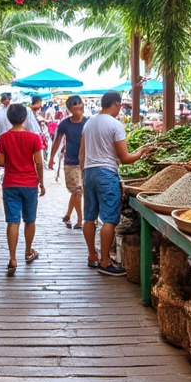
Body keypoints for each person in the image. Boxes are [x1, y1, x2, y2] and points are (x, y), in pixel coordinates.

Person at [79, 91, 153, 277]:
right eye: (120, 106)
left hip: (89, 172)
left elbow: (82, 154)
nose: (120, 109)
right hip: (106, 173)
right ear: (115, 104)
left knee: (89, 217)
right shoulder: (115, 124)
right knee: (109, 219)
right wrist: (141, 152)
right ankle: (105, 261)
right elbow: (125, 158)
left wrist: (84, 174)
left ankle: (92, 256)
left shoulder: (89, 123)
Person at [0, 103, 45, 275]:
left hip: (10, 184)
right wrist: (42, 183)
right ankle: (28, 251)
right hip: (30, 184)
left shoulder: (3, 138)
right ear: (25, 118)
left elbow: (1, 162)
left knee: (13, 221)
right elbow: (39, 163)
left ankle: (12, 258)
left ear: (9, 118)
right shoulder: (33, 137)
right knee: (30, 220)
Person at [48, 95, 88, 229]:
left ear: (81, 105)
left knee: (78, 191)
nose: (73, 107)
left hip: (86, 162)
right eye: (71, 105)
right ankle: (80, 220)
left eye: (76, 104)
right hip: (71, 161)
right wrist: (51, 158)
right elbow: (57, 141)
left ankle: (68, 215)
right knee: (77, 190)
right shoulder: (65, 123)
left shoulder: (88, 123)